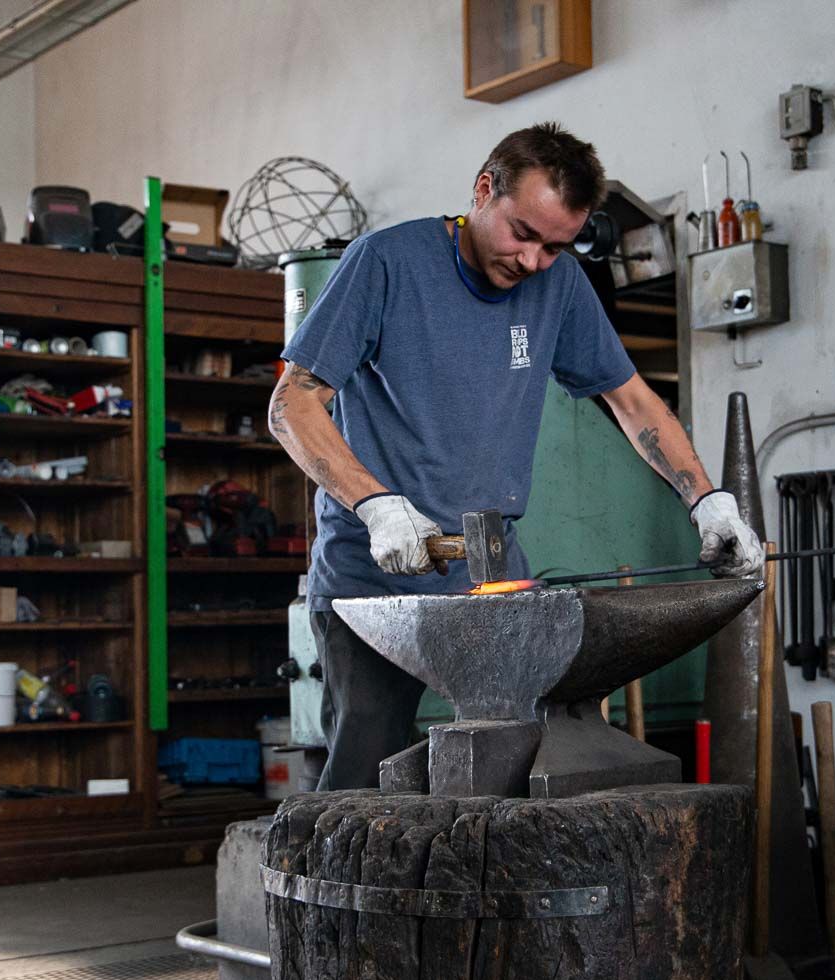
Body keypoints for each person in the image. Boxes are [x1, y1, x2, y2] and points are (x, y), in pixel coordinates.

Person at [269, 122, 763, 790]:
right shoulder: (384, 261)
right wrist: (379, 508)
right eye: (522, 234)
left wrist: (708, 500)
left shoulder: (556, 287)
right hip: (373, 577)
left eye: (554, 247)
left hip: (491, 569)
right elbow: (291, 406)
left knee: (519, 765)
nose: (531, 261)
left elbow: (633, 400)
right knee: (366, 772)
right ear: (482, 190)